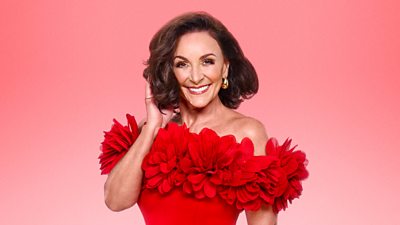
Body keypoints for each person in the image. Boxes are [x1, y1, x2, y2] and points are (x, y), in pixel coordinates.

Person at [99, 12, 308, 225]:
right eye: (182, 64)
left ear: (224, 67)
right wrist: (151, 126)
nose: (196, 77)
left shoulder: (247, 132)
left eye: (207, 62)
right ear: (169, 72)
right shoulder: (150, 131)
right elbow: (115, 201)